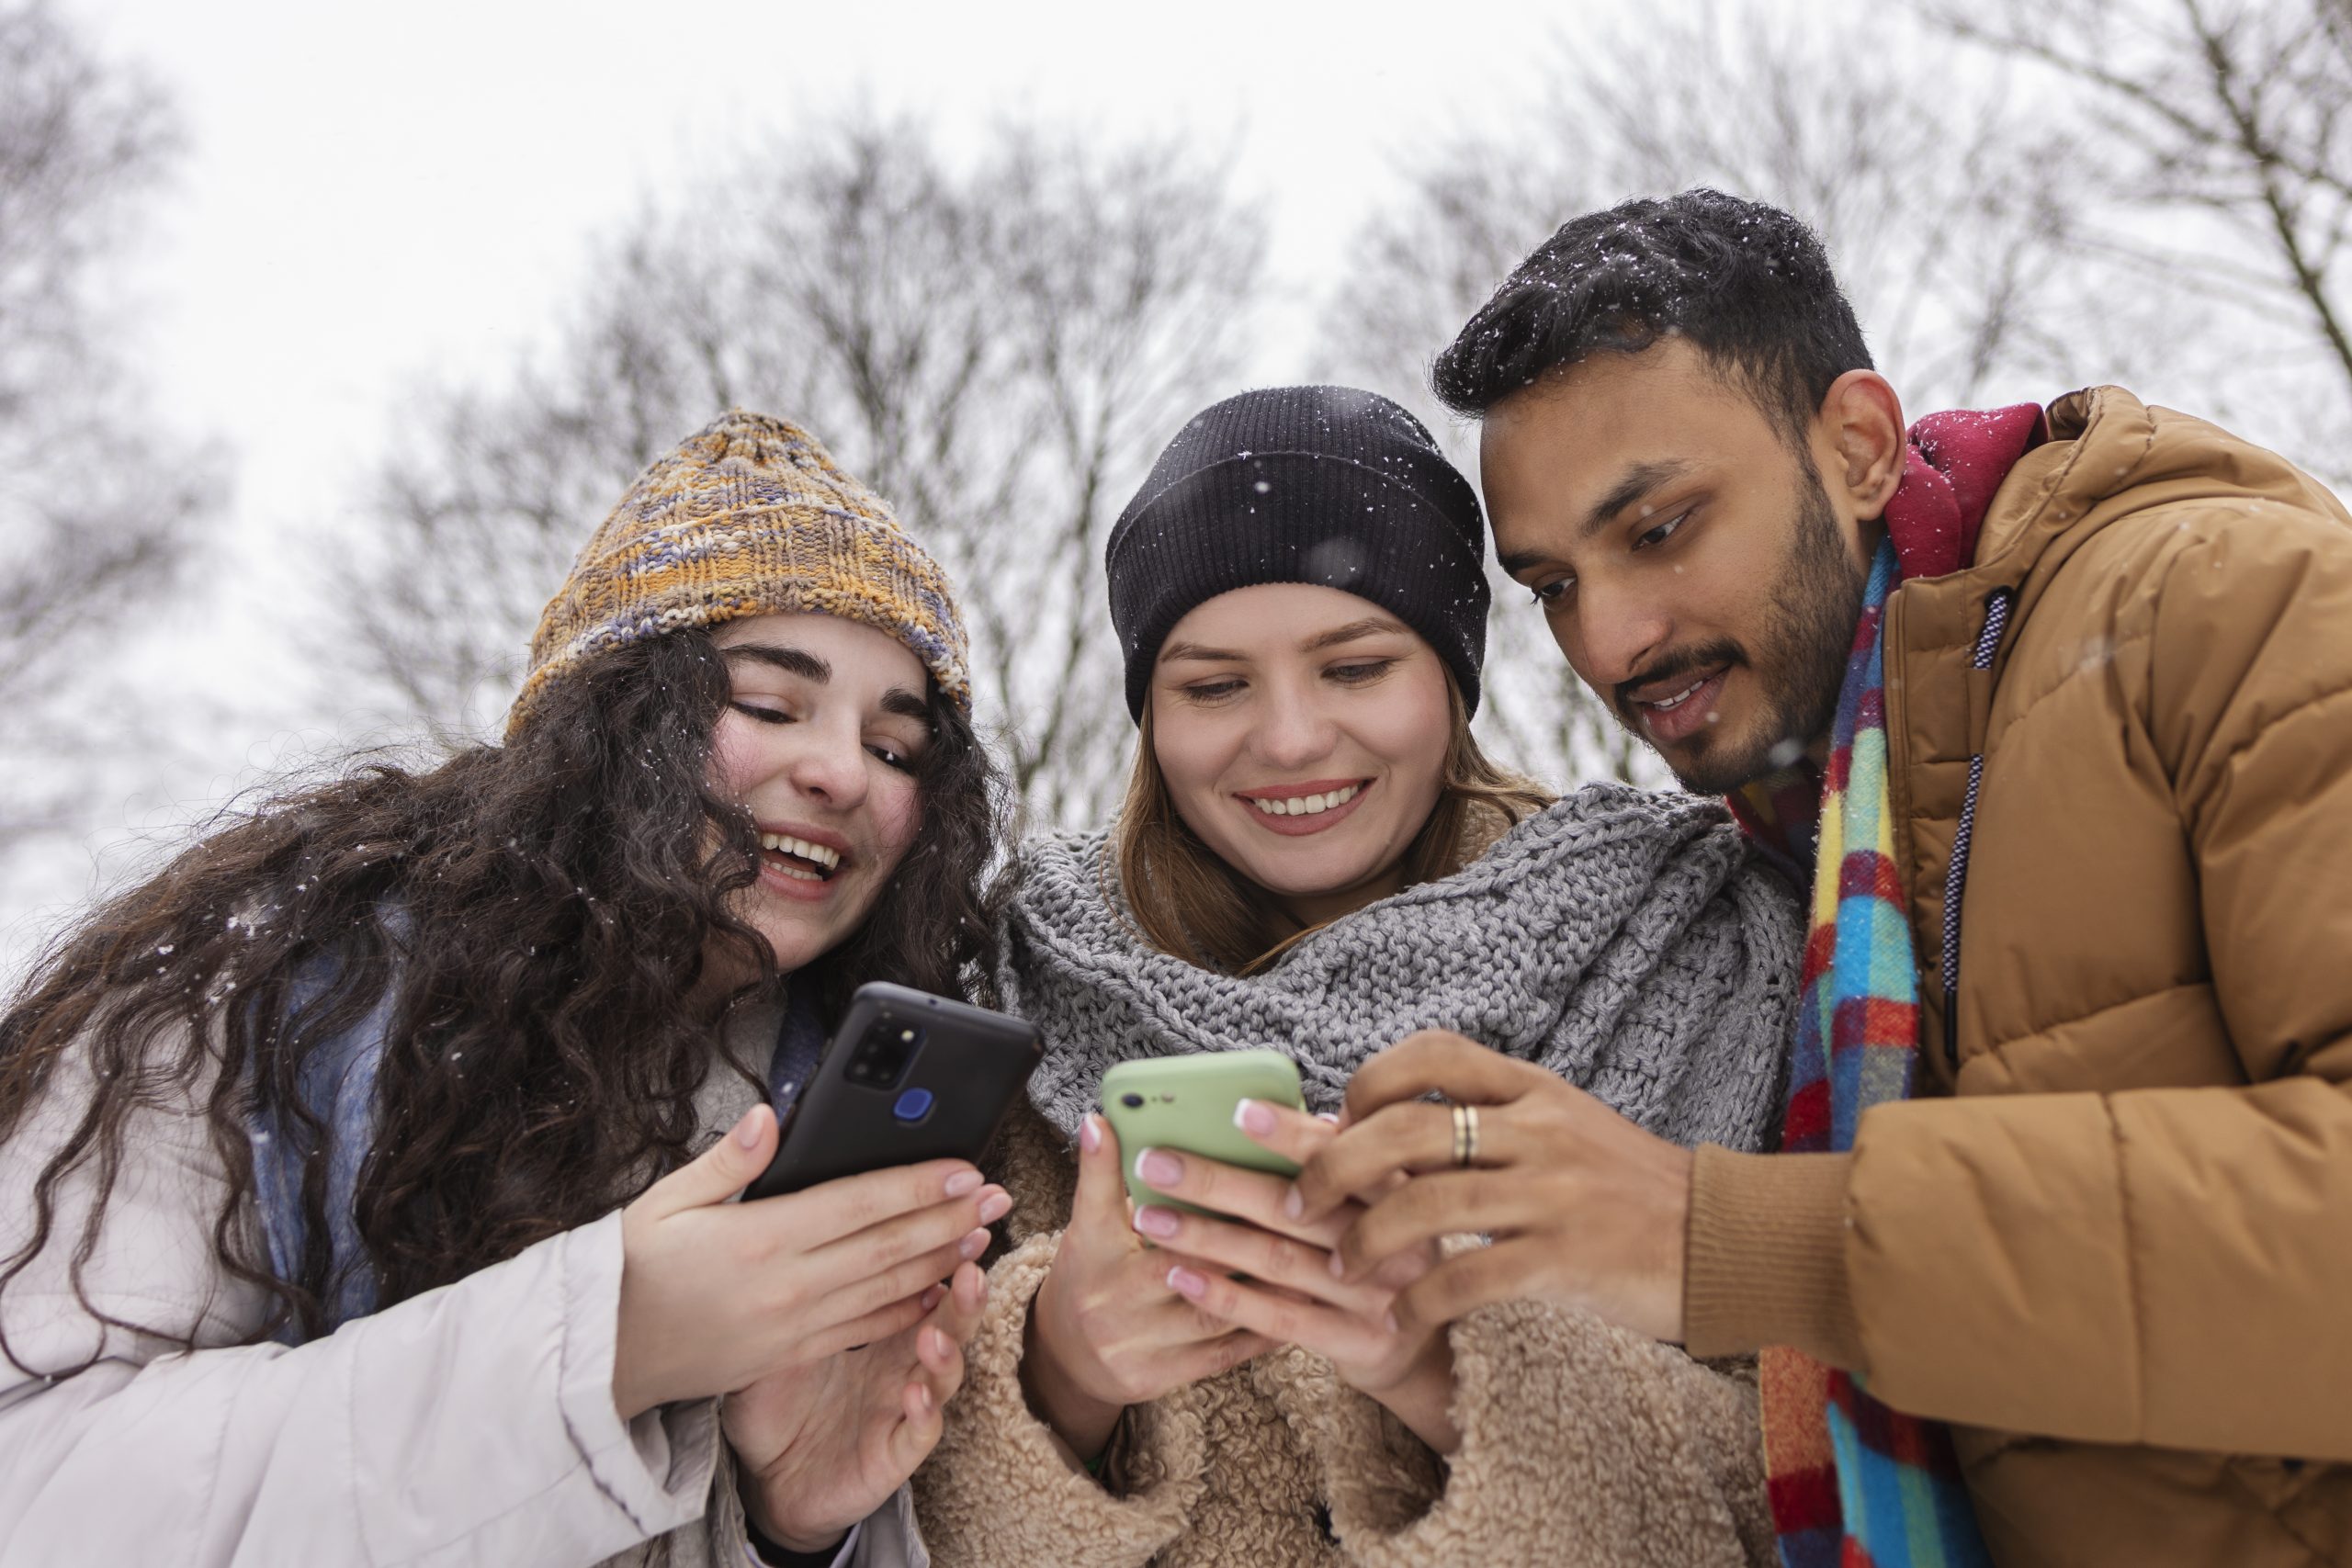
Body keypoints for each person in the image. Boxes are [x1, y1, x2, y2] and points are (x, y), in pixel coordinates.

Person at [1292, 189, 2352, 1568]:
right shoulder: (1790, 842)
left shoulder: (2232, 606)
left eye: (1661, 527)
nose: (1611, 639)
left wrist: (1724, 1234)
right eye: (1552, 583)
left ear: (1857, 443)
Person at [0, 411, 1015, 1567]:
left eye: (897, 749)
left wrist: (787, 1526)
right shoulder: (274, 995)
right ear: (611, 723)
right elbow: (35, 1491)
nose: (840, 771)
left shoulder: (862, 1089)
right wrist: (610, 1342)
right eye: (770, 706)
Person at [911, 385, 1804, 1567]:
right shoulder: (1013, 986)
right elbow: (856, 1483)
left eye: (1354, 667)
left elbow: (1800, 1472)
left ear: (1449, 679)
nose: (1286, 739)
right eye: (1214, 685)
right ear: (1151, 717)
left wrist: (1445, 1366)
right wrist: (1059, 1370)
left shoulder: (1702, 952)